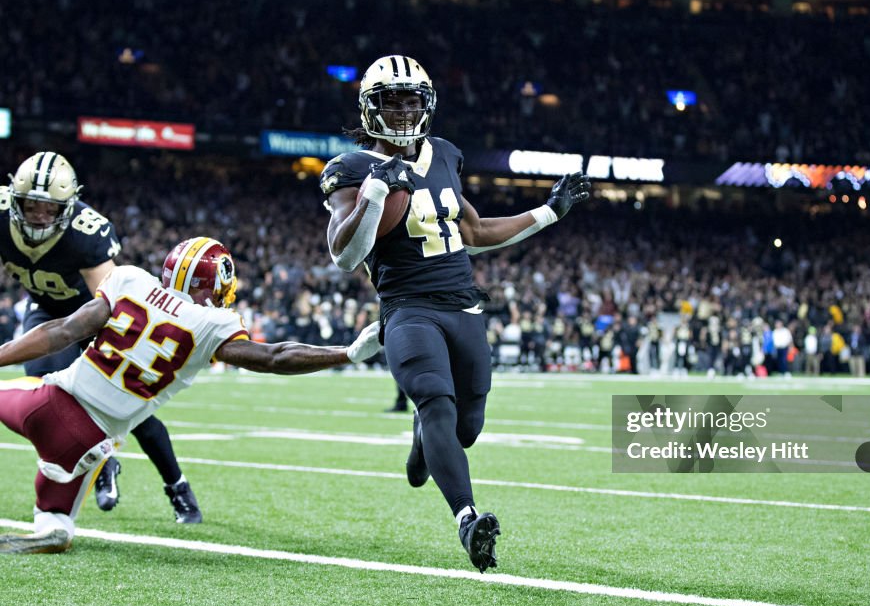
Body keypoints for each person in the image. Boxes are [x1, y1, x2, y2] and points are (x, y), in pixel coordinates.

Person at [322, 55, 589, 572]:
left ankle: (424, 442)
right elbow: (345, 254)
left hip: (463, 306)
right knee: (436, 404)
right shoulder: (352, 168)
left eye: (411, 99)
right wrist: (377, 190)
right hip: (408, 309)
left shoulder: (445, 154)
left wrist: (549, 211)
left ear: (427, 103)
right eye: (392, 100)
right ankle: (467, 519)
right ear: (370, 107)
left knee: (467, 425)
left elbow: (475, 234)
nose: (403, 110)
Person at [0, 237, 381, 554]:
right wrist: (344, 353)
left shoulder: (129, 280)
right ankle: (56, 527)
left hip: (49, 405)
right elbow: (274, 357)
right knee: (55, 514)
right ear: (213, 283)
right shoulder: (214, 324)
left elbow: (64, 331)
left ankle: (55, 521)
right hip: (93, 442)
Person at [0, 152, 202, 523]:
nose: (40, 217)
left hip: (98, 318)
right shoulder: (2, 216)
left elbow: (108, 305)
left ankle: (178, 486)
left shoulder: (85, 233)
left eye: (50, 209)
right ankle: (101, 458)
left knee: (131, 410)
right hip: (47, 309)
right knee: (46, 395)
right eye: (31, 206)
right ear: (15, 200)